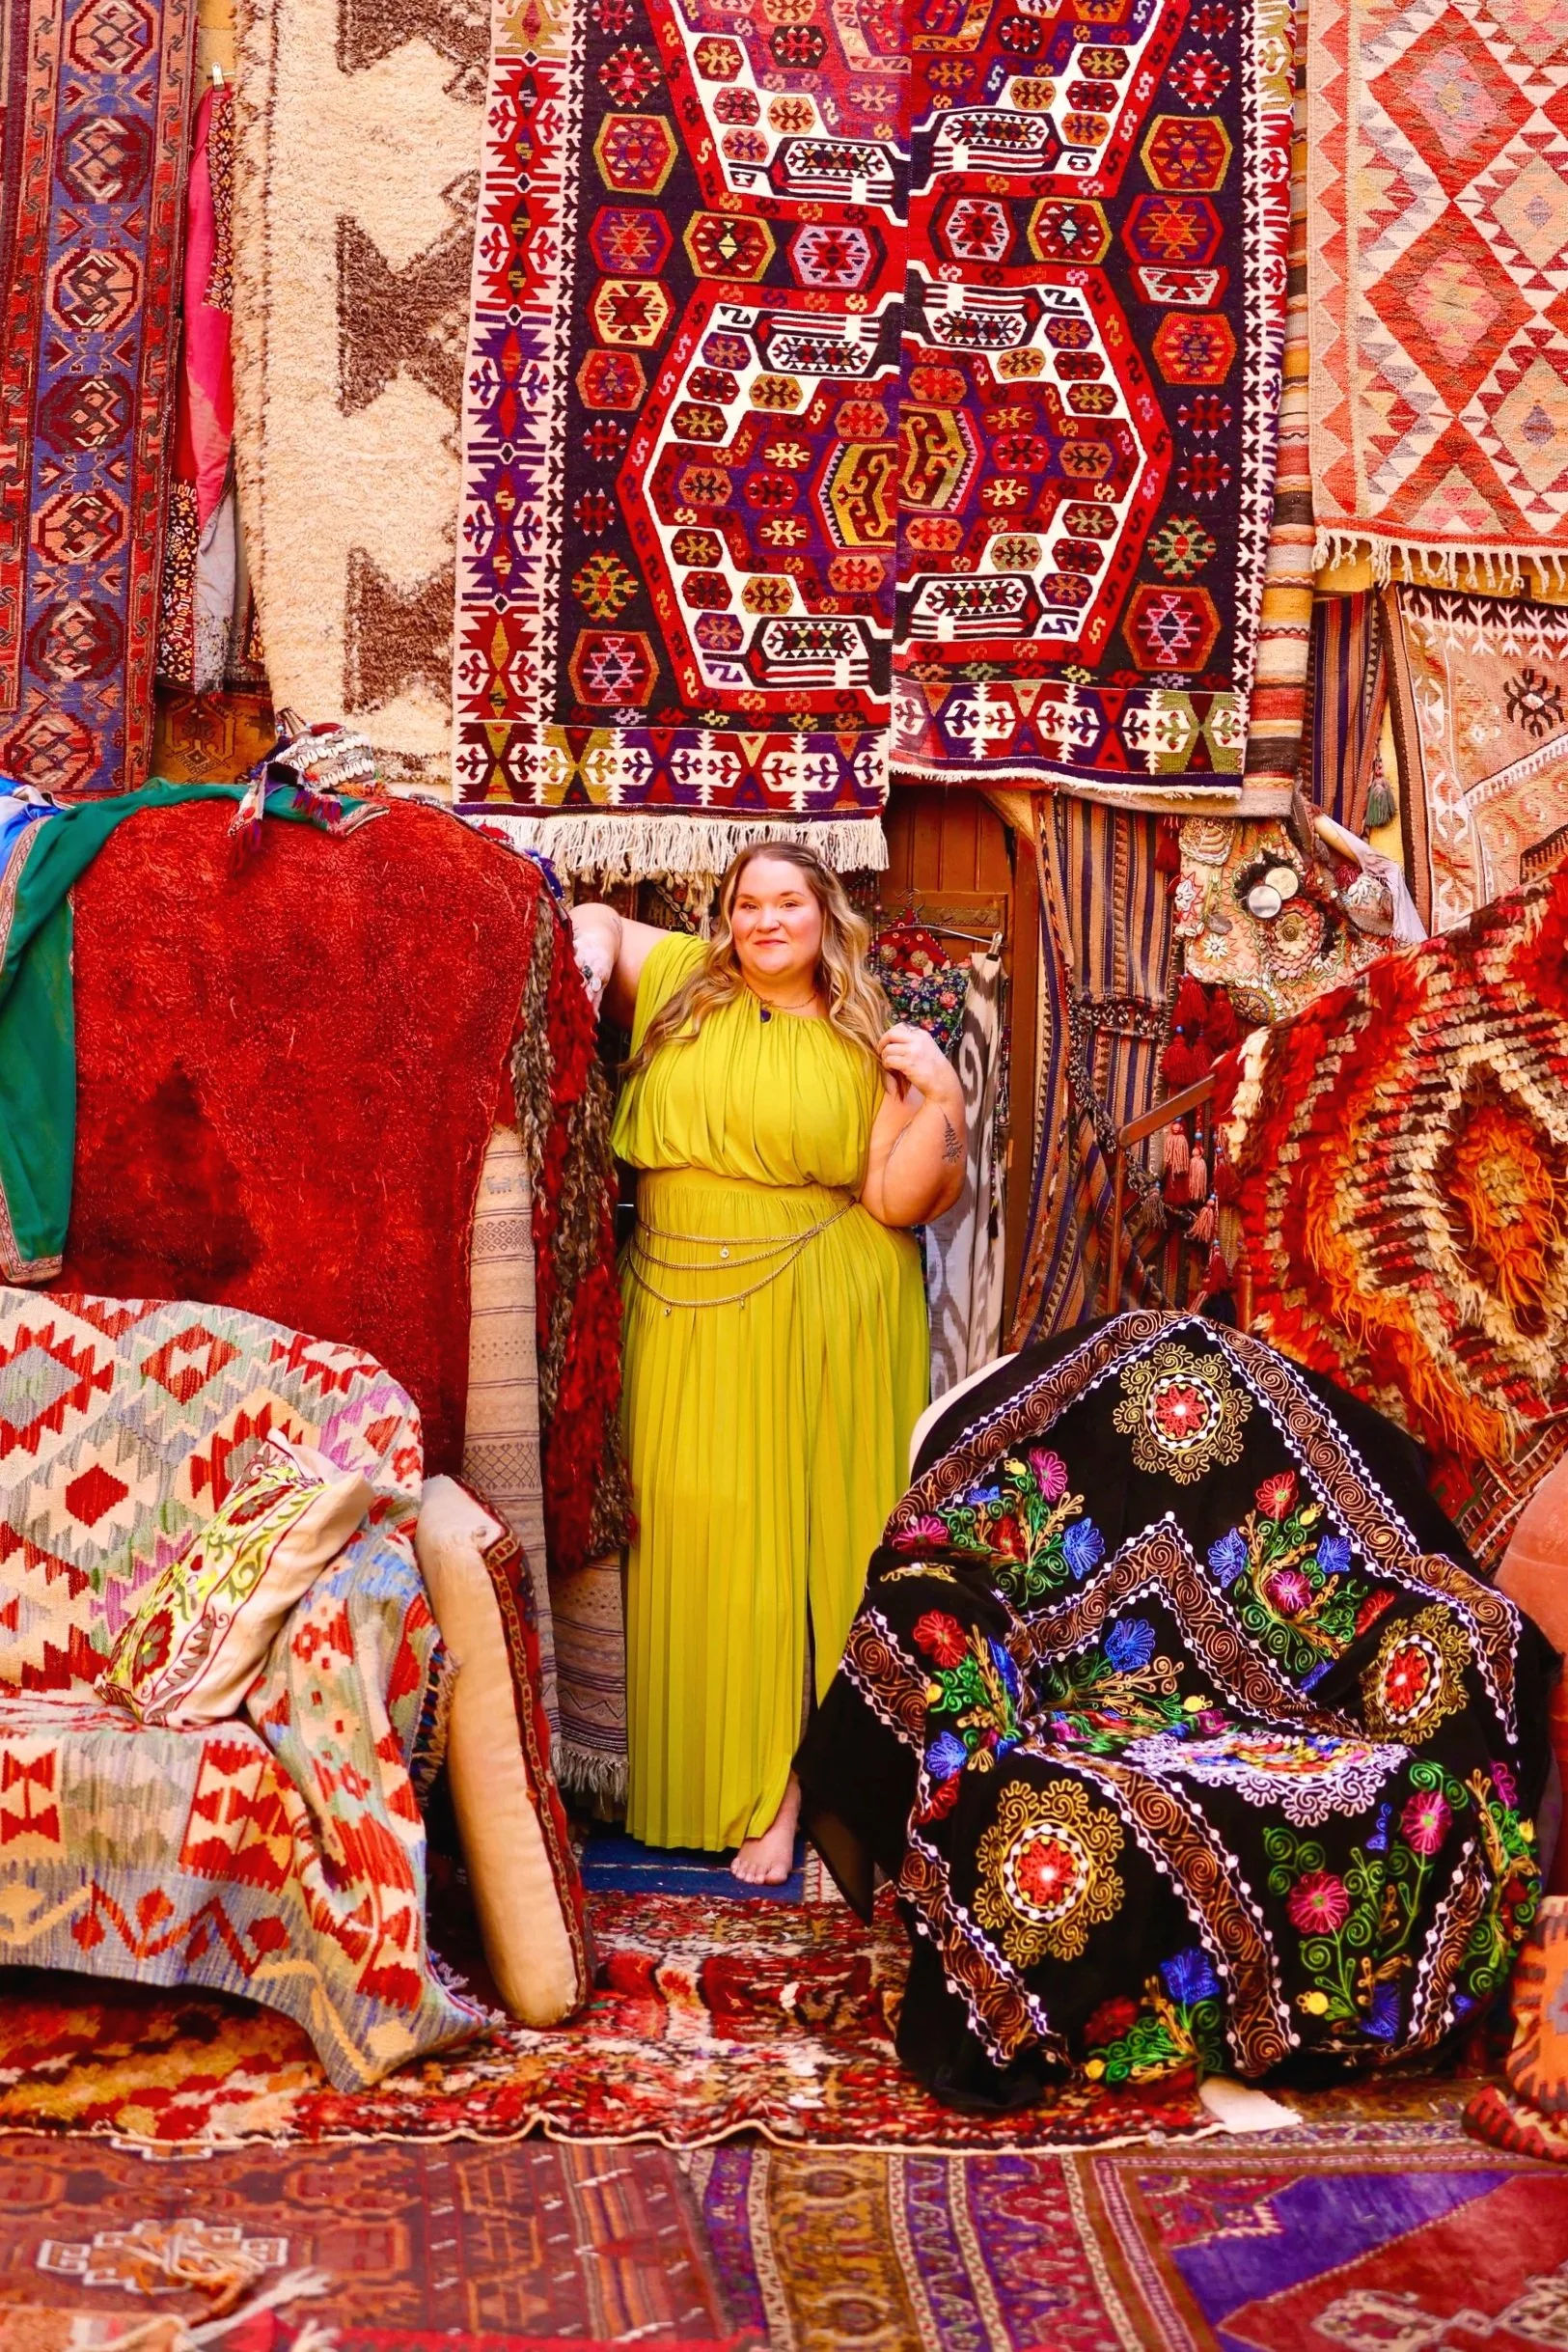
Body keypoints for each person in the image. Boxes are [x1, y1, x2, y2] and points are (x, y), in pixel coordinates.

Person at [796, 1310, 1553, 2106]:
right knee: (1037, 1784)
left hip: (1278, 1711)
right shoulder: (1062, 1446)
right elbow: (932, 1568)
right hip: (1070, 1703)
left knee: (1456, 1678)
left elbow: (1405, 1583)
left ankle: (1309, 2021)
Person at [571, 845, 962, 1882]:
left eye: (788, 901)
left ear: (823, 916)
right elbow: (603, 924)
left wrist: (944, 1106)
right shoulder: (679, 984)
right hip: (671, 1297)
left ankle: (785, 1792)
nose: (766, 919)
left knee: (786, 1550)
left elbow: (895, 1201)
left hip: (815, 1299)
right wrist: (584, 941)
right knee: (681, 1529)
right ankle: (685, 1772)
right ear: (725, 915)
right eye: (748, 902)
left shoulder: (862, 1037)